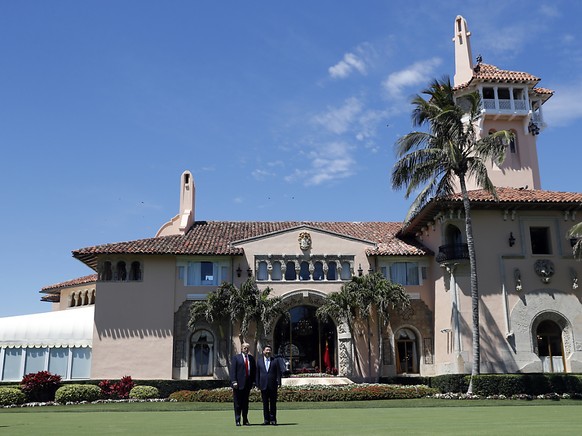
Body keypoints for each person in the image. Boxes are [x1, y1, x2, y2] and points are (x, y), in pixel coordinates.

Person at [255, 344, 285, 425]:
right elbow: (257, 373)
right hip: (263, 385)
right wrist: (257, 384)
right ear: (263, 351)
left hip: (273, 386)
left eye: (269, 350)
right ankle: (266, 420)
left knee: (273, 404)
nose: (268, 352)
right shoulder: (259, 361)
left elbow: (278, 373)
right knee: (265, 404)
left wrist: (279, 383)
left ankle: (273, 420)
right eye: (266, 350)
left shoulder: (275, 361)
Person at [230, 342, 256, 426]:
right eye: (245, 348)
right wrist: (234, 381)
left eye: (248, 348)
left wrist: (254, 382)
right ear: (241, 349)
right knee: (237, 403)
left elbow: (253, 372)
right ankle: (237, 420)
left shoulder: (251, 358)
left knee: (245, 403)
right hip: (238, 384)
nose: (246, 349)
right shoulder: (236, 358)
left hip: (247, 384)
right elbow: (233, 371)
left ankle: (245, 420)